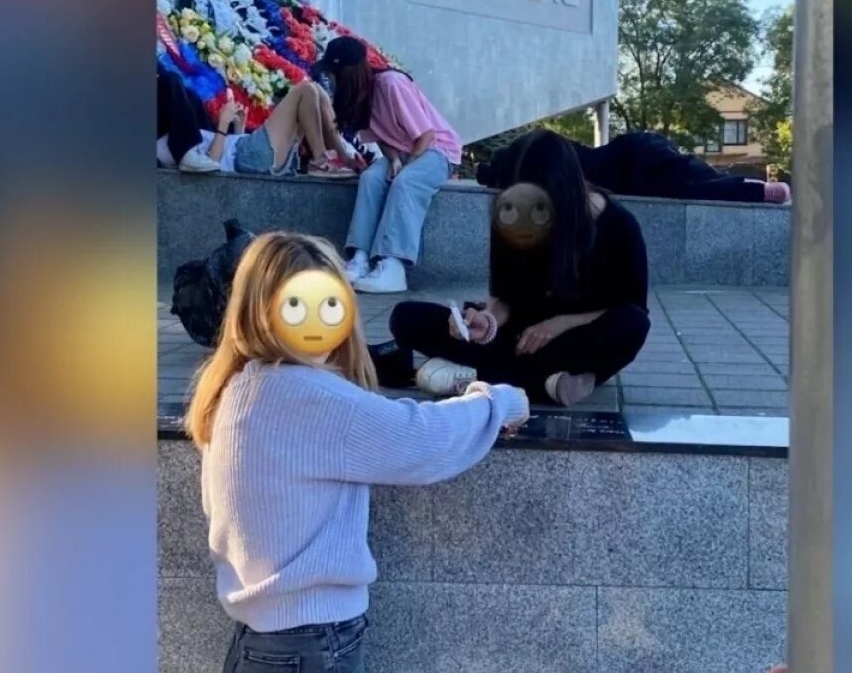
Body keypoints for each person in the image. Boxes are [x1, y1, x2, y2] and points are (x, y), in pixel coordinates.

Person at [184, 231, 530, 673]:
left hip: (259, 646)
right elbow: (419, 438)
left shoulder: (235, 387)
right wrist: (497, 401)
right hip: (308, 649)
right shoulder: (304, 396)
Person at [387, 129, 651, 407]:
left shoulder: (620, 227)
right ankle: (545, 383)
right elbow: (506, 298)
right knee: (405, 317)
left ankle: (483, 376)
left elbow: (632, 307)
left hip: (575, 341)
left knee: (631, 325)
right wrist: (486, 321)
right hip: (517, 338)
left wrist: (560, 324)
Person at [317, 36, 463, 294]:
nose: (332, 79)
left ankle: (393, 266)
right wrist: (394, 160)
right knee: (371, 178)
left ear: (350, 73)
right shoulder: (361, 99)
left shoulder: (392, 84)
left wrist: (406, 167)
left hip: (437, 150)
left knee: (406, 183)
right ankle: (360, 258)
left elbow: (426, 135)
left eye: (336, 73)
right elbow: (382, 138)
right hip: (405, 153)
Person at [477, 129, 792, 204]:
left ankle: (762, 190)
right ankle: (759, 190)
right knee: (691, 180)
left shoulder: (533, 158)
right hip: (633, 156)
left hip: (633, 160)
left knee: (689, 184)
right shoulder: (534, 151)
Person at [156, 66, 360, 178]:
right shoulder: (172, 145)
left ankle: (344, 157)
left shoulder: (183, 129)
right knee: (306, 90)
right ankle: (321, 160)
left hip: (246, 151)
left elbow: (220, 151)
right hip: (248, 156)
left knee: (318, 91)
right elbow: (212, 162)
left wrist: (238, 126)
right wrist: (223, 125)